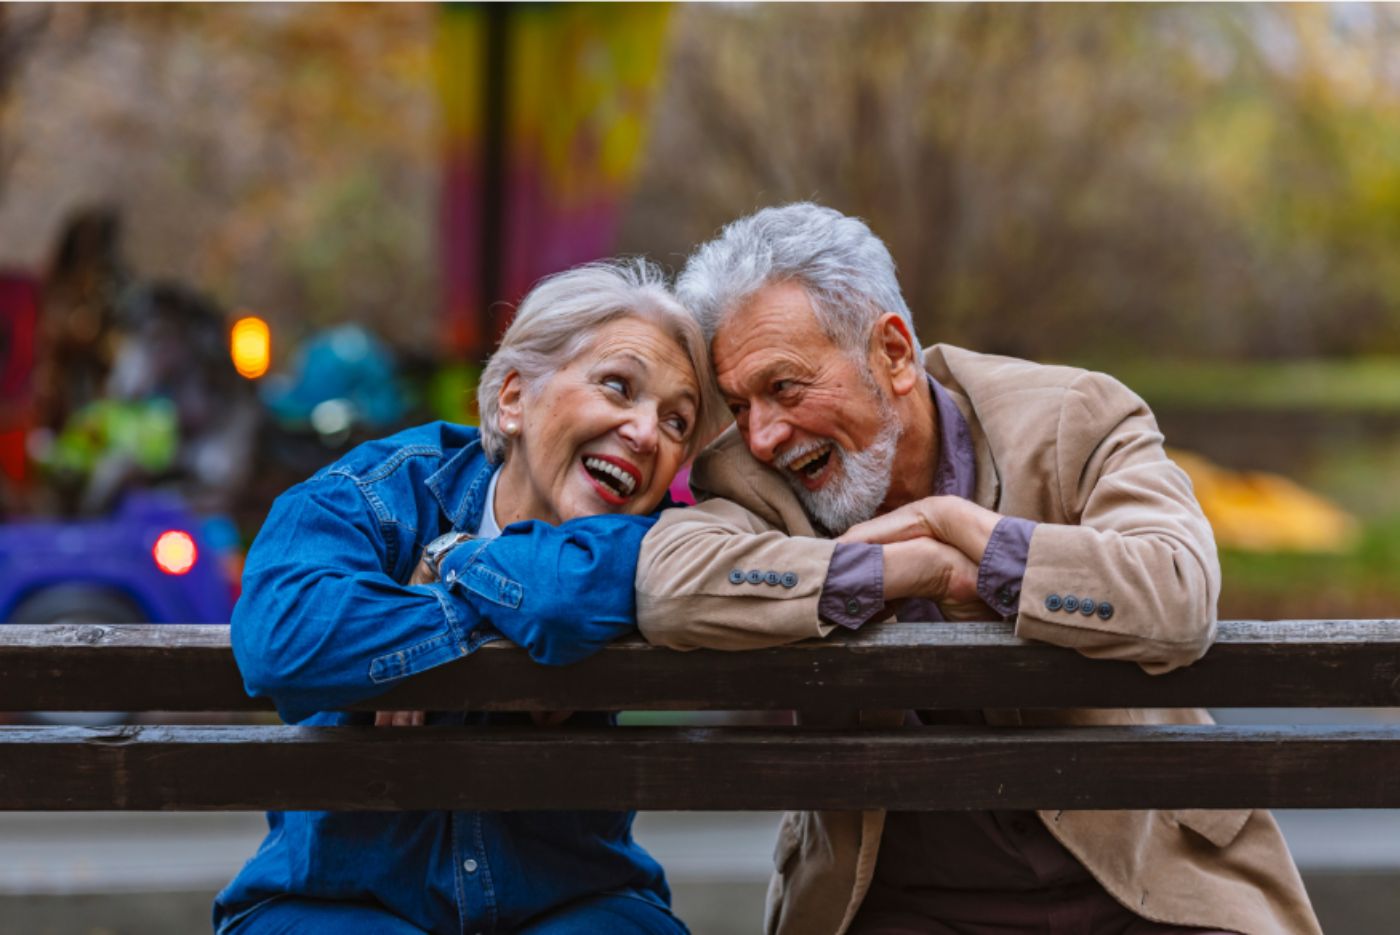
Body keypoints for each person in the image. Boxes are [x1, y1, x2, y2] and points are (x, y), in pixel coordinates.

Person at [635, 203, 1321, 935]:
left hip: (1149, 884)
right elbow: (668, 588)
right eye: (739, 405)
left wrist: (975, 540)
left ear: (893, 354)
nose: (764, 435)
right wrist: (900, 570)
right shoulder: (747, 476)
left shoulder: (1075, 417)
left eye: (784, 387)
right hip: (906, 906)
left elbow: (1178, 593)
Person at [215, 259, 719, 935]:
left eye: (677, 422)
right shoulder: (379, 491)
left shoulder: (660, 540)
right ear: (513, 398)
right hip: (339, 902)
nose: (647, 433)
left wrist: (454, 560)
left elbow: (558, 604)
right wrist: (483, 612)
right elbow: (279, 637)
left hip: (571, 902)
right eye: (617, 386)